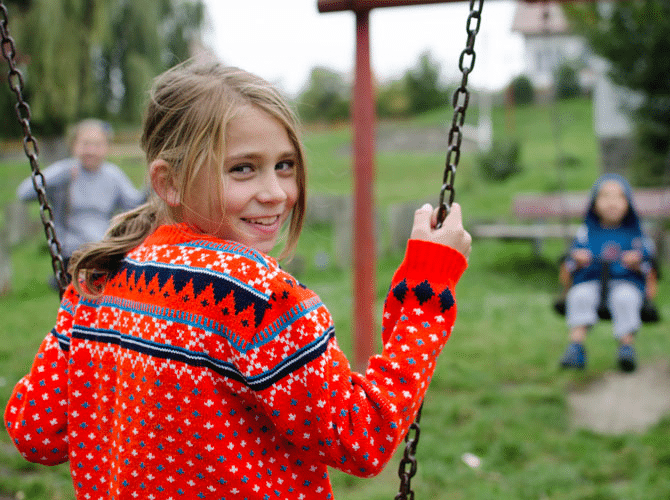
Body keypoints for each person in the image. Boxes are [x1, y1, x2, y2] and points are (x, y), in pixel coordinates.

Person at [4, 60, 471, 499]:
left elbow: (35, 432)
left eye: (284, 165)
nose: (275, 193)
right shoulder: (255, 299)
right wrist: (425, 294)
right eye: (242, 168)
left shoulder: (97, 283)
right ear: (168, 182)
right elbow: (363, 437)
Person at [16, 118, 146, 285]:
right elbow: (24, 193)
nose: (91, 150)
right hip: (70, 254)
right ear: (74, 146)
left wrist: (150, 186)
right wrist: (60, 177)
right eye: (85, 144)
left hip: (102, 251)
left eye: (97, 145)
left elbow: (135, 205)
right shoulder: (64, 171)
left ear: (107, 147)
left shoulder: (113, 176)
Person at [559, 173, 656, 372]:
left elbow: (649, 265)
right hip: (591, 281)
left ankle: (626, 347)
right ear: (594, 205)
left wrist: (637, 263)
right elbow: (569, 263)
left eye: (619, 197)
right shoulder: (586, 232)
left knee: (626, 299)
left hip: (625, 282)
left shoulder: (636, 234)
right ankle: (576, 346)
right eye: (605, 196)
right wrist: (577, 259)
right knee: (579, 295)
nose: (612, 202)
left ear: (628, 204)